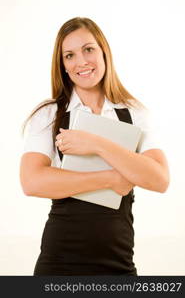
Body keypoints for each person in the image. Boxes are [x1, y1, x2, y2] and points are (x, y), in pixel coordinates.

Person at [20, 17, 170, 276]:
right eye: (69, 55)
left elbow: (159, 179)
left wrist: (96, 144)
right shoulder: (49, 115)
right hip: (59, 262)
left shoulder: (134, 113)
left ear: (104, 52)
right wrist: (111, 177)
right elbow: (32, 182)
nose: (81, 62)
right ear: (63, 65)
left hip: (119, 264)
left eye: (88, 49)